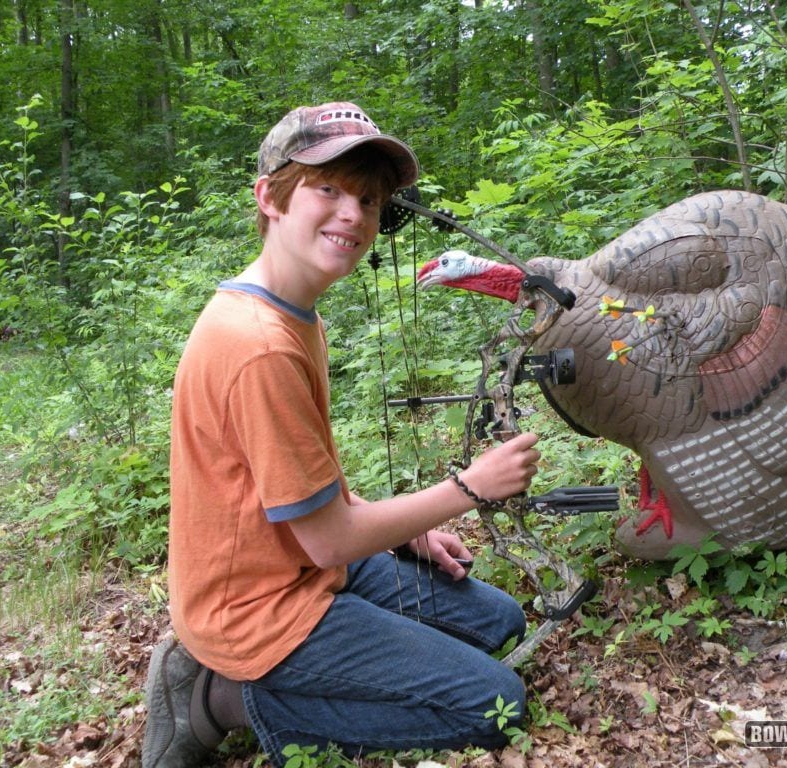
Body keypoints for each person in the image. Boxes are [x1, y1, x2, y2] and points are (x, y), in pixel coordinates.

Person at [142, 101, 541, 768]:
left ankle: (279, 667)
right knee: (494, 704)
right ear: (270, 197)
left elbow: (307, 486)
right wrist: (470, 487)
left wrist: (404, 528)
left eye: (368, 197)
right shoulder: (259, 344)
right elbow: (327, 536)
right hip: (260, 605)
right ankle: (216, 698)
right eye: (327, 188)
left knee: (501, 624)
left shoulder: (293, 315)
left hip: (301, 560)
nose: (353, 213)